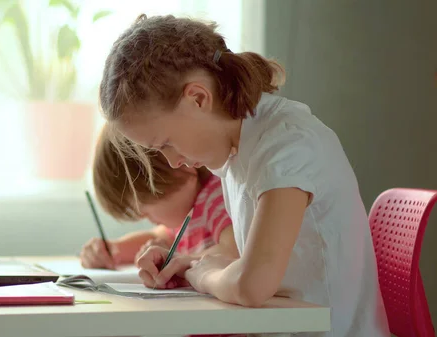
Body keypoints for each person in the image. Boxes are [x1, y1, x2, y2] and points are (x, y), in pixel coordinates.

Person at [97, 14, 390, 337]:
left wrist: (203, 277)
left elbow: (253, 284)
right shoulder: (237, 153)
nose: (172, 161)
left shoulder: (286, 147)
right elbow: (238, 255)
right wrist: (189, 263)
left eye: (165, 143)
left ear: (198, 98)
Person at [80, 124, 237, 272]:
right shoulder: (186, 212)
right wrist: (115, 249)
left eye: (143, 206)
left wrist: (180, 261)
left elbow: (235, 251)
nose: (142, 216)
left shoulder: (216, 198)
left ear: (181, 169)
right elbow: (158, 236)